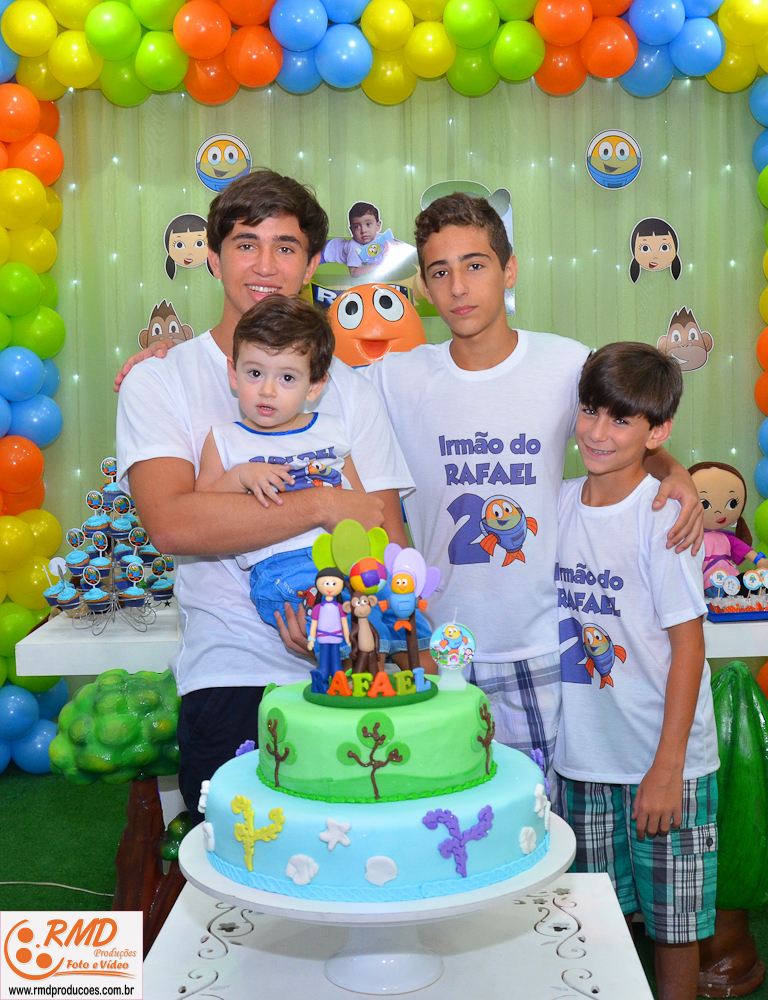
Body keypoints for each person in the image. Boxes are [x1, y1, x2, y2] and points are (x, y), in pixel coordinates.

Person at [355, 192, 703, 797]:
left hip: (541, 647)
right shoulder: (395, 377)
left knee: (533, 826)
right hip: (437, 647)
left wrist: (676, 472)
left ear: (509, 269)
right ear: (424, 288)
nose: (458, 287)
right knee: (442, 820)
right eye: (439, 272)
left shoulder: (565, 365)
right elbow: (304, 396)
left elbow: (626, 424)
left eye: (475, 265)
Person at [115, 169, 414, 823]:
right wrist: (323, 503)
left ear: (311, 263)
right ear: (213, 255)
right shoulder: (160, 382)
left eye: (286, 247)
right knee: (238, 866)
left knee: (354, 857)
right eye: (246, 243)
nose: (265, 265)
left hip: (345, 664)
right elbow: (173, 523)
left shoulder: (349, 391)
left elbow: (387, 535)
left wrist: (363, 633)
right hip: (229, 675)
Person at [555, 342, 718, 1000]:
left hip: (666, 762)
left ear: (658, 432)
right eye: (590, 411)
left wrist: (667, 768)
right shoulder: (558, 504)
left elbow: (690, 647)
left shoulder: (664, 518)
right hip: (584, 761)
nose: (598, 432)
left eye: (621, 419)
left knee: (675, 929)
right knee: (597, 923)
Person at [321, 201, 409, 276]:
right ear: (351, 230)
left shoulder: (379, 238)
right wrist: (378, 265)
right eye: (357, 226)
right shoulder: (354, 247)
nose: (363, 230)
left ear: (378, 226)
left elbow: (395, 247)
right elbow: (354, 273)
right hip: (325, 251)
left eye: (368, 224)